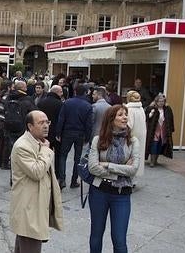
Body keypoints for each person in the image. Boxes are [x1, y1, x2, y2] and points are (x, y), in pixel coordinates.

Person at [88, 105, 141, 253]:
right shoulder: (98, 140)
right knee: (96, 234)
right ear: (111, 119)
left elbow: (134, 169)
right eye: (120, 115)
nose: (125, 117)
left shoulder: (133, 141)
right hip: (99, 192)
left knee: (119, 239)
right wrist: (120, 171)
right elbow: (93, 167)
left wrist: (107, 165)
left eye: (126, 114)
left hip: (122, 194)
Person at [10, 110, 63, 253]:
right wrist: (46, 151)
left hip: (36, 204)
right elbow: (36, 172)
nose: (46, 126)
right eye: (41, 123)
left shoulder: (40, 142)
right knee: (30, 244)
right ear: (30, 126)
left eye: (47, 122)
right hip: (29, 207)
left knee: (24, 246)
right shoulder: (23, 146)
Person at [56, 84, 93, 189]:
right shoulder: (88, 106)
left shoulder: (67, 103)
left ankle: (62, 179)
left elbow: (61, 118)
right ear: (85, 93)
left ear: (75, 91)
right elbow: (89, 124)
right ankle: (74, 180)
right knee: (77, 158)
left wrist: (58, 133)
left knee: (63, 156)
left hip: (67, 132)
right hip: (80, 134)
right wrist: (87, 137)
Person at [2, 81, 37, 170]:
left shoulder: (8, 97)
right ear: (24, 88)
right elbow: (34, 112)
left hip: (8, 125)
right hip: (22, 127)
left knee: (9, 145)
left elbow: (4, 109)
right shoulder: (27, 99)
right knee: (21, 149)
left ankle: (5, 163)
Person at [145, 93, 174, 167]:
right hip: (154, 131)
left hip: (163, 131)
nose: (161, 103)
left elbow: (171, 119)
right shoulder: (152, 109)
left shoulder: (167, 110)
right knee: (153, 145)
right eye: (159, 101)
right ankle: (152, 161)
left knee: (160, 145)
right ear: (156, 102)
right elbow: (147, 117)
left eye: (162, 101)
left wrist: (171, 129)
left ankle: (156, 160)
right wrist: (151, 113)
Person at [37, 85, 63, 160]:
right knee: (58, 156)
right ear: (57, 92)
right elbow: (61, 120)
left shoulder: (41, 102)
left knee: (44, 154)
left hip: (43, 132)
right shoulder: (60, 104)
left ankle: (46, 170)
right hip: (56, 133)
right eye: (61, 92)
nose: (62, 94)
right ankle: (57, 171)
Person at [125, 91, 147, 178]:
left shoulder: (129, 109)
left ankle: (130, 178)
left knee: (131, 157)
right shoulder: (141, 108)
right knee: (138, 156)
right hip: (141, 136)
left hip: (132, 136)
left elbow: (129, 125)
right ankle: (135, 179)